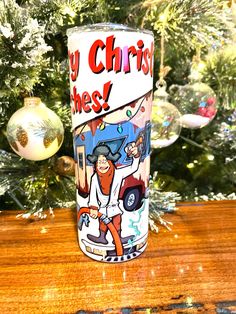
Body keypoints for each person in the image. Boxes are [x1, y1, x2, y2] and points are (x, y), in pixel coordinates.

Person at [86, 142, 140, 244]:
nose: (102, 165)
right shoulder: (94, 178)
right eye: (99, 162)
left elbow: (134, 168)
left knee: (117, 221)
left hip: (114, 206)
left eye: (105, 161)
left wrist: (136, 156)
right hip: (102, 207)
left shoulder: (118, 173)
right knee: (102, 222)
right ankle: (102, 237)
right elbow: (92, 194)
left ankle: (118, 238)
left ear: (110, 162)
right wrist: (93, 208)